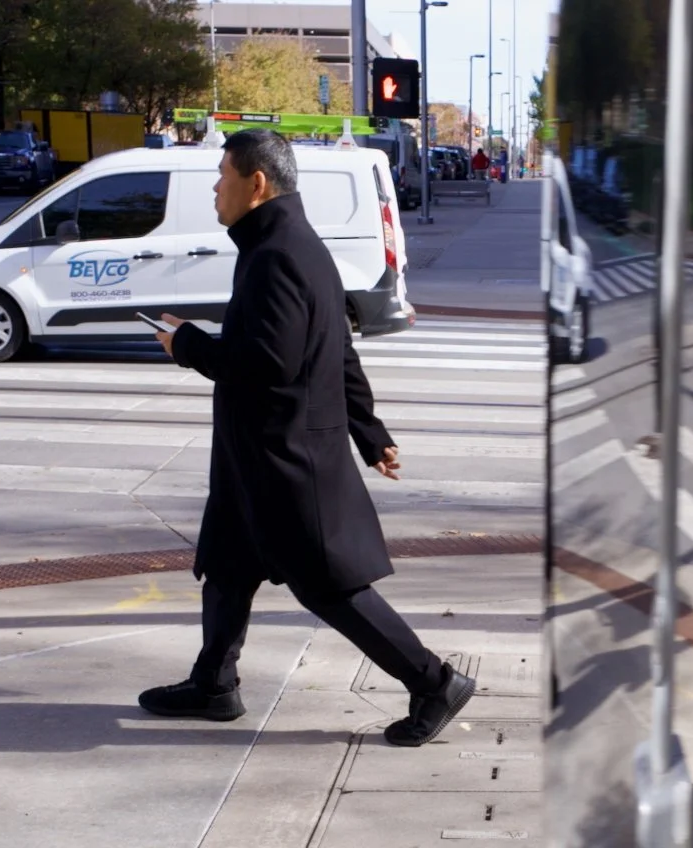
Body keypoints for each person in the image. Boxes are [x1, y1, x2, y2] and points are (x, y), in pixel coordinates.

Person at [139, 129, 475, 748]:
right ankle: (214, 683)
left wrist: (187, 344)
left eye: (222, 176)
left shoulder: (277, 254)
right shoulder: (291, 245)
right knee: (228, 566)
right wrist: (370, 432)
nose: (215, 188)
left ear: (256, 183)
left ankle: (434, 682)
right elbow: (337, 349)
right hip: (256, 457)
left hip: (284, 459)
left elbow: (270, 362)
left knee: (328, 587)